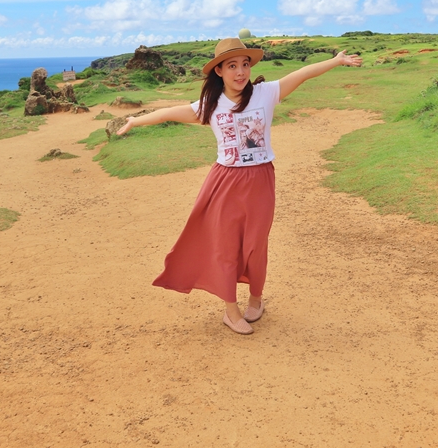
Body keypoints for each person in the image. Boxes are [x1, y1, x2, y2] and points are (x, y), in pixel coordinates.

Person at [115, 38, 362, 334]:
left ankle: (256, 301)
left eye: (245, 64)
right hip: (225, 182)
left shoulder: (266, 93)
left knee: (256, 245)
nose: (240, 72)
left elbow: (303, 73)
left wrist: (336, 61)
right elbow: (169, 112)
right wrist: (134, 120)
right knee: (226, 246)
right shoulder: (210, 105)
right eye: (232, 66)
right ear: (219, 71)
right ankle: (230, 311)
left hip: (260, 180)